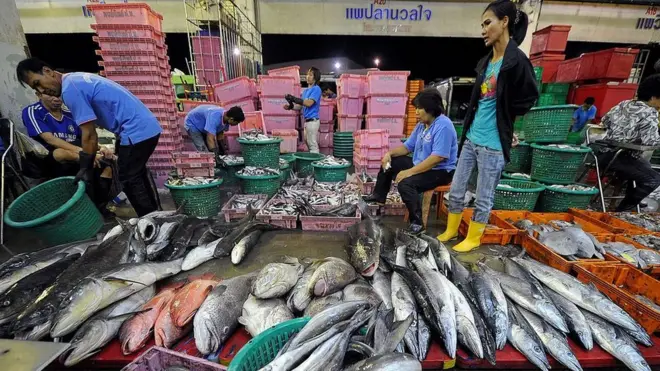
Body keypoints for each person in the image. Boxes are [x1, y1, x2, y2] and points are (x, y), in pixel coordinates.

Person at [438, 0, 538, 252]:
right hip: (472, 137)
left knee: (483, 196)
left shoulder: (517, 61)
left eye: (487, 23)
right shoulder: (485, 63)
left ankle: (474, 237)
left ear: (504, 22)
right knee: (458, 188)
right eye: (482, 25)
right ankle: (451, 229)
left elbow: (529, 96)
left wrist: (507, 111)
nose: (483, 30)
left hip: (493, 144)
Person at [17, 57, 162, 217]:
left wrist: (85, 166)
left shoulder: (70, 89)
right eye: (35, 88)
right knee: (135, 173)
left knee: (129, 177)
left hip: (135, 129)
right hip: (143, 126)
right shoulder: (74, 80)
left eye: (38, 82)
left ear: (47, 71)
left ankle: (151, 220)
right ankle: (156, 214)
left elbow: (89, 134)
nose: (43, 90)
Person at [362, 88, 457, 234]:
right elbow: (407, 147)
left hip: (440, 171)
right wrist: (389, 153)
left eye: (419, 108)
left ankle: (417, 224)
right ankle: (379, 195)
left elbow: (437, 158)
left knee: (406, 184)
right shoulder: (421, 125)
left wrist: (409, 172)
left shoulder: (443, 125)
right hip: (420, 164)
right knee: (390, 163)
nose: (416, 112)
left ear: (430, 109)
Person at [596, 74, 660, 211]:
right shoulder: (650, 112)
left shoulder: (623, 104)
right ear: (654, 97)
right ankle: (623, 210)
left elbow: (605, 121)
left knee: (645, 165)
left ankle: (634, 199)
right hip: (620, 158)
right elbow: (652, 141)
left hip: (602, 155)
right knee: (654, 179)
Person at [284, 67, 322, 153]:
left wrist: (294, 99)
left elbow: (309, 103)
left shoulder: (316, 89)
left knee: (312, 144)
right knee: (308, 143)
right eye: (307, 74)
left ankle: (315, 164)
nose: (308, 76)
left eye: (311, 75)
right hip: (307, 122)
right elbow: (301, 106)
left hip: (313, 121)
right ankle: (312, 162)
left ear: (316, 77)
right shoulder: (305, 92)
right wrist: (291, 107)